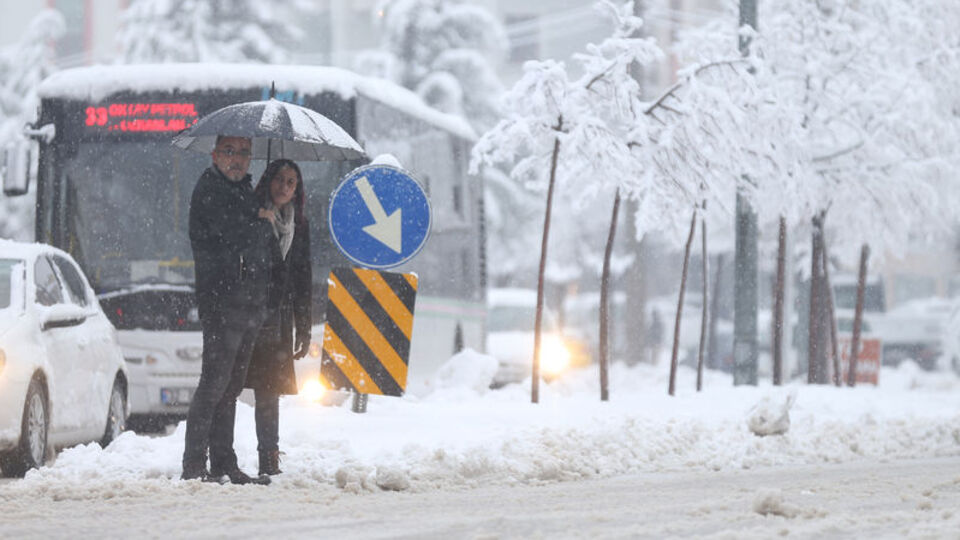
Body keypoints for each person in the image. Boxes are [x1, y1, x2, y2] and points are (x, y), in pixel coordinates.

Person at [182, 135, 277, 485]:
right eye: (229, 152)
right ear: (215, 155)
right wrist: (260, 220)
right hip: (221, 301)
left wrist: (260, 215)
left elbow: (256, 245)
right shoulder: (210, 189)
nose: (237, 159)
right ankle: (194, 465)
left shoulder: (243, 192)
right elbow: (235, 236)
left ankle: (224, 462)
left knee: (232, 386)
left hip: (247, 302)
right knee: (214, 384)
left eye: (244, 153)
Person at [244, 159, 312, 476]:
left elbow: (302, 278)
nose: (284, 187)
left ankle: (269, 459)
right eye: (279, 179)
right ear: (268, 181)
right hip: (249, 316)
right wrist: (259, 223)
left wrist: (304, 328)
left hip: (279, 322)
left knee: (269, 391)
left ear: (297, 190)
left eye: (291, 182)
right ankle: (219, 456)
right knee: (228, 390)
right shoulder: (250, 214)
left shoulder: (300, 224)